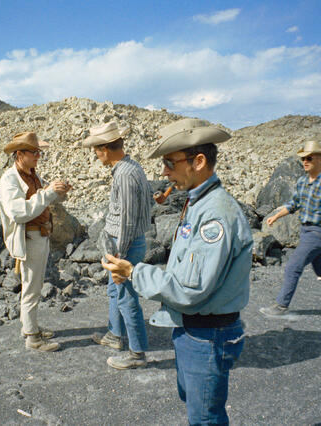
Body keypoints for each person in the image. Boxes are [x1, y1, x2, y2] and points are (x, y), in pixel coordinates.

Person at [102, 118, 252, 424]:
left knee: (205, 417)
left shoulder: (215, 214)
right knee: (196, 404)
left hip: (207, 334)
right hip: (194, 328)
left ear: (198, 161)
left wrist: (134, 272)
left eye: (170, 162)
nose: (164, 172)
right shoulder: (198, 203)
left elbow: (190, 288)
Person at [82, 121, 153, 370]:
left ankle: (137, 353)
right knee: (115, 292)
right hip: (126, 243)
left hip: (125, 245)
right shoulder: (131, 168)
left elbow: (127, 221)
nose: (95, 156)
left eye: (96, 151)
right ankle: (115, 335)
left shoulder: (124, 174)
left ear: (104, 149)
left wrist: (119, 257)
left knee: (126, 296)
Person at [0, 132, 71, 352]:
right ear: (19, 154)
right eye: (35, 152)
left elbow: (39, 201)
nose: (39, 156)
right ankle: (32, 337)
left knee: (34, 284)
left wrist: (58, 193)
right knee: (31, 286)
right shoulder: (10, 179)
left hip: (39, 234)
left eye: (39, 152)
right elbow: (19, 212)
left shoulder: (30, 174)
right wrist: (48, 193)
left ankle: (29, 326)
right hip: (29, 237)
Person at [260, 140, 321, 317]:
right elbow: (293, 204)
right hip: (305, 231)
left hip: (316, 234)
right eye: (303, 158)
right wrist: (276, 216)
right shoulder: (302, 182)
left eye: (309, 158)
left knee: (292, 266)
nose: (305, 161)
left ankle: (281, 306)